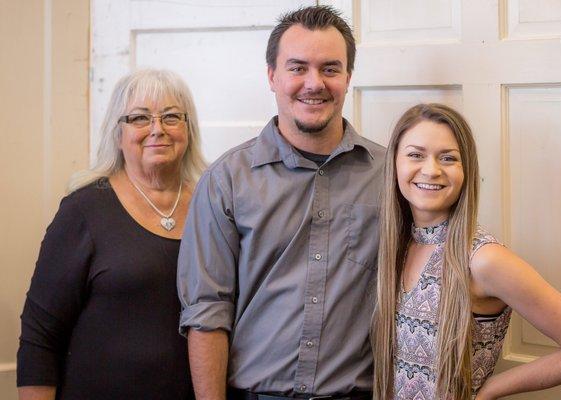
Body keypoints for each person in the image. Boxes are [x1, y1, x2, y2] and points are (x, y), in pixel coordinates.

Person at [177, 6, 384, 400]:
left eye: (329, 68)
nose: (314, 83)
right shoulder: (225, 181)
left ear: (348, 78)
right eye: (297, 68)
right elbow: (207, 311)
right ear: (272, 76)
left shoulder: (389, 176)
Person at [371, 103, 561, 399]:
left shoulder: (483, 259)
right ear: (394, 164)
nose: (431, 169)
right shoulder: (397, 246)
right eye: (415, 155)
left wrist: (489, 390)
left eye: (448, 158)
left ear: (466, 171)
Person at [17, 69, 207, 400]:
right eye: (140, 118)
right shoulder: (84, 210)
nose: (157, 129)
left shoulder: (214, 205)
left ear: (188, 130)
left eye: (172, 117)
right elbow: (40, 336)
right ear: (117, 134)